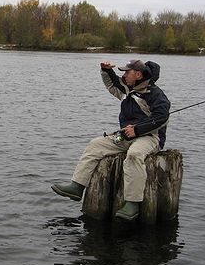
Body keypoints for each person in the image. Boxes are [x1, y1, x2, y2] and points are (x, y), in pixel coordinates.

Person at [51, 59, 170, 220]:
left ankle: (132, 203)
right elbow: (112, 84)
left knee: (134, 155)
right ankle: (77, 186)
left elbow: (162, 117)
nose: (124, 74)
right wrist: (105, 70)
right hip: (126, 135)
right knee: (96, 145)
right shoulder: (128, 89)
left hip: (150, 137)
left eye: (127, 72)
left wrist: (137, 129)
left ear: (138, 74)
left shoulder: (156, 95)